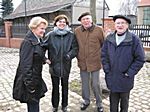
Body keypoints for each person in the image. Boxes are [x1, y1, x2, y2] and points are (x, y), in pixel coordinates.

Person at [101, 15, 145, 112]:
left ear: (127, 25)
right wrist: (107, 69)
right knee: (113, 104)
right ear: (115, 25)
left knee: (124, 105)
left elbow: (140, 59)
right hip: (112, 77)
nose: (120, 25)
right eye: (118, 23)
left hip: (125, 78)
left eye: (123, 23)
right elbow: (104, 55)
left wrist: (129, 72)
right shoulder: (109, 38)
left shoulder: (134, 39)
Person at [43, 14, 78, 112]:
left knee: (65, 87)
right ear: (56, 23)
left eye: (64, 22)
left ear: (66, 24)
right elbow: (41, 48)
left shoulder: (71, 35)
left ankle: (64, 105)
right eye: (60, 22)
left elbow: (75, 49)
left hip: (66, 66)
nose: (62, 23)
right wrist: (45, 59)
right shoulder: (50, 35)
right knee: (55, 87)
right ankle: (55, 105)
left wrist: (69, 56)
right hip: (54, 66)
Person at [13, 16, 48, 112]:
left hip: (36, 77)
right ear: (34, 27)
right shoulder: (28, 43)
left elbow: (37, 54)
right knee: (33, 105)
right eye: (41, 28)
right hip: (30, 80)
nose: (44, 31)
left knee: (35, 104)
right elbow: (25, 66)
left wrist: (45, 59)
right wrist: (30, 86)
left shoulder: (37, 40)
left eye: (44, 29)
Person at [74, 12, 105, 112]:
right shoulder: (77, 31)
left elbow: (104, 45)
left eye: (87, 19)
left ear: (91, 20)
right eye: (83, 19)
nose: (86, 21)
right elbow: (75, 45)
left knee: (95, 84)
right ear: (81, 22)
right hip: (83, 62)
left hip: (95, 62)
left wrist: (103, 59)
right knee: (85, 84)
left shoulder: (99, 30)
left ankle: (99, 103)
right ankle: (86, 101)